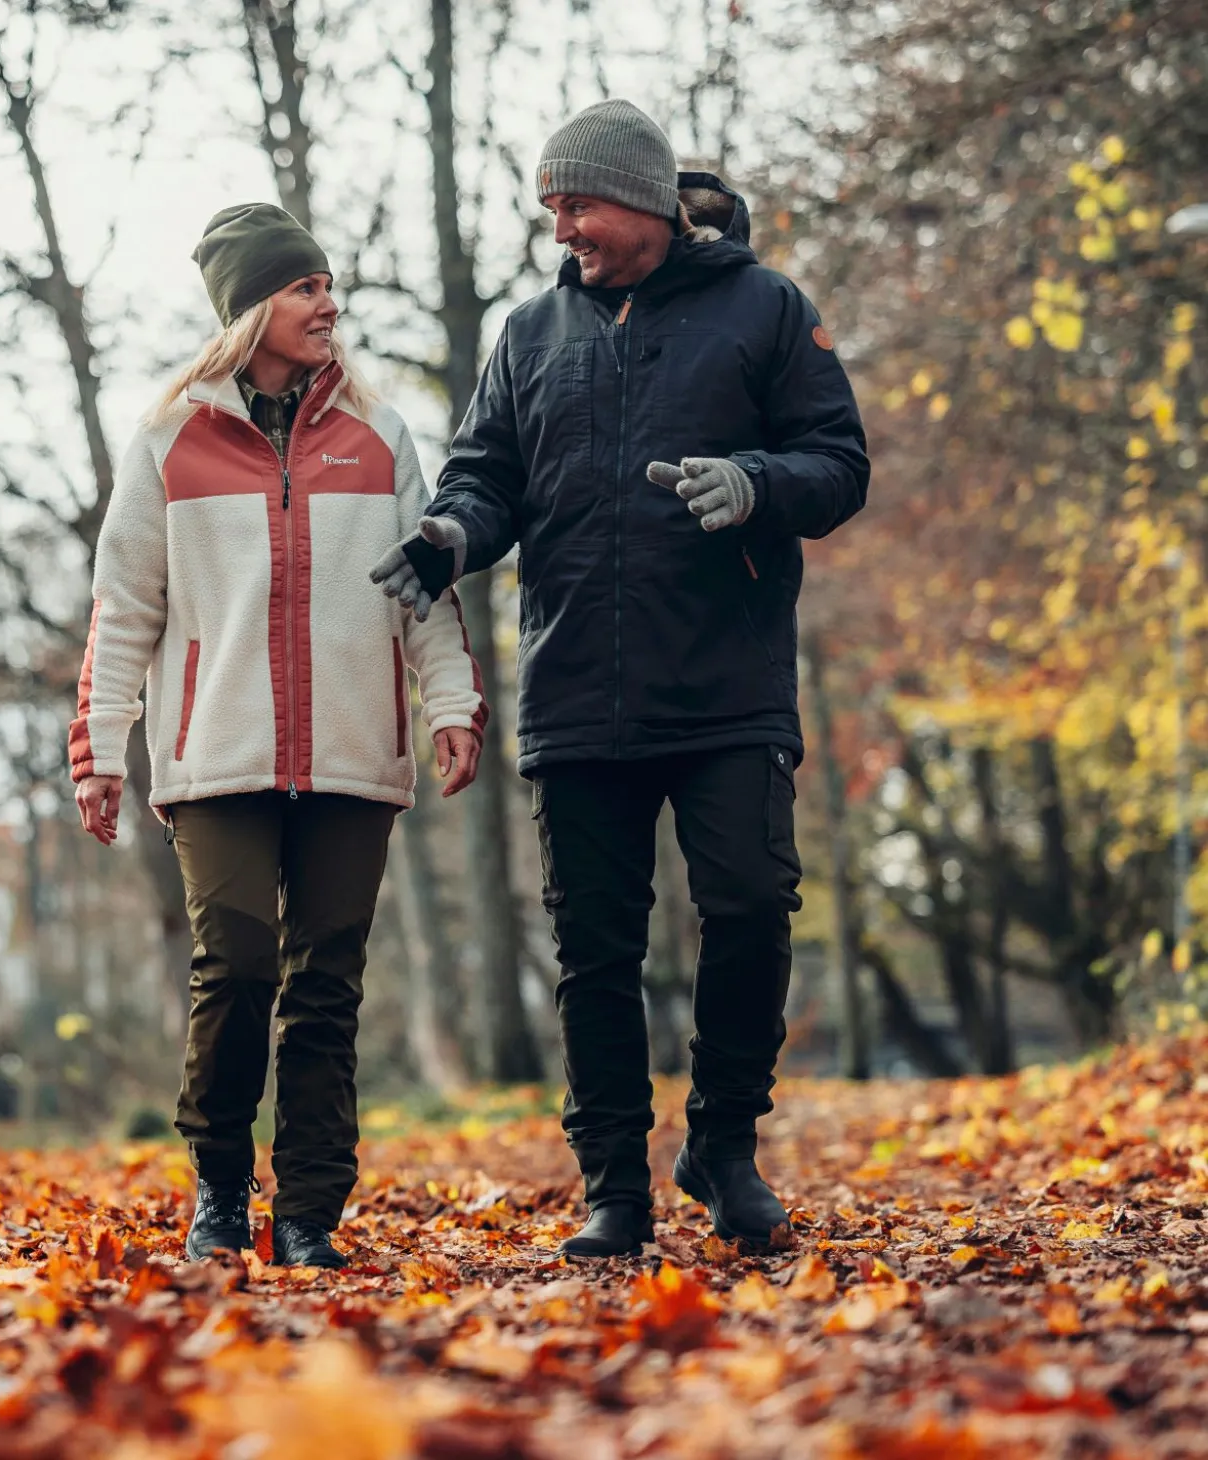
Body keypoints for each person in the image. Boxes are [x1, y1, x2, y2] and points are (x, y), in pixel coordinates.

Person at [372, 102, 869, 1258]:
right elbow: (486, 475)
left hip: (726, 682)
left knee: (748, 904)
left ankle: (722, 1146)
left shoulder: (765, 308)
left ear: (642, 201)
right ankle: (613, 1187)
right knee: (594, 951)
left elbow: (837, 464)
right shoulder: (529, 333)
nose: (561, 231)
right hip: (575, 692)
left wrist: (753, 482)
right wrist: (451, 533)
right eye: (550, 211)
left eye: (576, 206)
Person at [72, 203, 487, 1269]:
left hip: (353, 753)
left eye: (329, 286)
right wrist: (101, 746)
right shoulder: (170, 440)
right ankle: (218, 1186)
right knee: (237, 962)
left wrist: (449, 703)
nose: (328, 305)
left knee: (327, 985)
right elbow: (125, 607)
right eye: (306, 287)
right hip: (217, 757)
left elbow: (425, 594)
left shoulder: (378, 437)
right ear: (253, 307)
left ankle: (307, 1209)